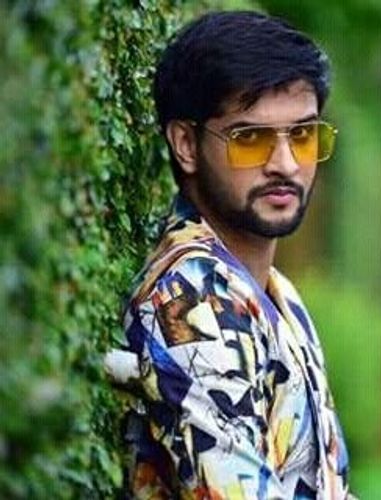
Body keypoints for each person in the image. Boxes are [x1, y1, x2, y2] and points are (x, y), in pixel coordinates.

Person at [105, 10, 355, 499]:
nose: (285, 164)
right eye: (250, 139)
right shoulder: (192, 303)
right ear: (186, 144)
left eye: (303, 135)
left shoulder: (276, 292)